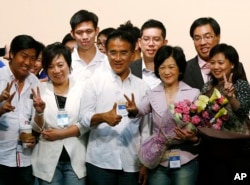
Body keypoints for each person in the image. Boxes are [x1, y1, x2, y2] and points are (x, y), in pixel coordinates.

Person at [80, 30, 149, 185]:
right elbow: (83, 117)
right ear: (106, 54)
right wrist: (102, 117)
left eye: (124, 53)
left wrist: (146, 163)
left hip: (132, 163)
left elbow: (146, 129)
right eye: (113, 53)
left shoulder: (143, 87)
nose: (118, 58)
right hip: (100, 161)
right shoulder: (95, 82)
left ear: (132, 54)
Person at [126, 45, 200, 185]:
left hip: (185, 158)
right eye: (162, 67)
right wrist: (133, 110)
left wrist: (193, 138)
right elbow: (140, 110)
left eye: (171, 67)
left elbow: (200, 127)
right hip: (158, 160)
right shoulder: (152, 93)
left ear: (180, 69)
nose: (166, 71)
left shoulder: (193, 93)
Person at [31, 42, 88, 185]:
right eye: (50, 67)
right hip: (47, 157)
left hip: (76, 156)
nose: (56, 70)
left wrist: (62, 133)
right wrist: (39, 113)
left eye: (60, 65)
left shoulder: (83, 89)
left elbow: (87, 122)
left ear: (69, 64)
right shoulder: (39, 90)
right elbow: (38, 129)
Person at [197, 43, 250, 185]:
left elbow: (244, 111)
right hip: (214, 150)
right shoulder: (207, 86)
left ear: (232, 64)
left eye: (220, 63)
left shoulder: (241, 85)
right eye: (212, 63)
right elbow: (201, 116)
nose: (215, 67)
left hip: (239, 151)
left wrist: (231, 97)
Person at [0, 35, 40, 185]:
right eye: (24, 56)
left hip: (26, 159)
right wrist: (0, 111)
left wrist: (34, 135)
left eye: (33, 58)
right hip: (2, 158)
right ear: (11, 55)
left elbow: (37, 122)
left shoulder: (34, 82)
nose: (28, 62)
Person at [183, 17, 247, 91]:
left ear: (218, 37)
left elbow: (246, 98)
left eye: (207, 37)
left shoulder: (236, 66)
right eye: (197, 38)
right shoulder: (184, 69)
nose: (202, 42)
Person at [69, 9, 108, 81]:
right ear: (72, 34)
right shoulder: (66, 62)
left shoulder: (108, 62)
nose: (85, 37)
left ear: (96, 31)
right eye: (79, 32)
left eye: (89, 31)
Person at [129, 19, 168, 89]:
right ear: (139, 43)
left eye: (156, 39)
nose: (151, 44)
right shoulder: (129, 69)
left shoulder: (174, 70)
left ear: (164, 43)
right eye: (146, 39)